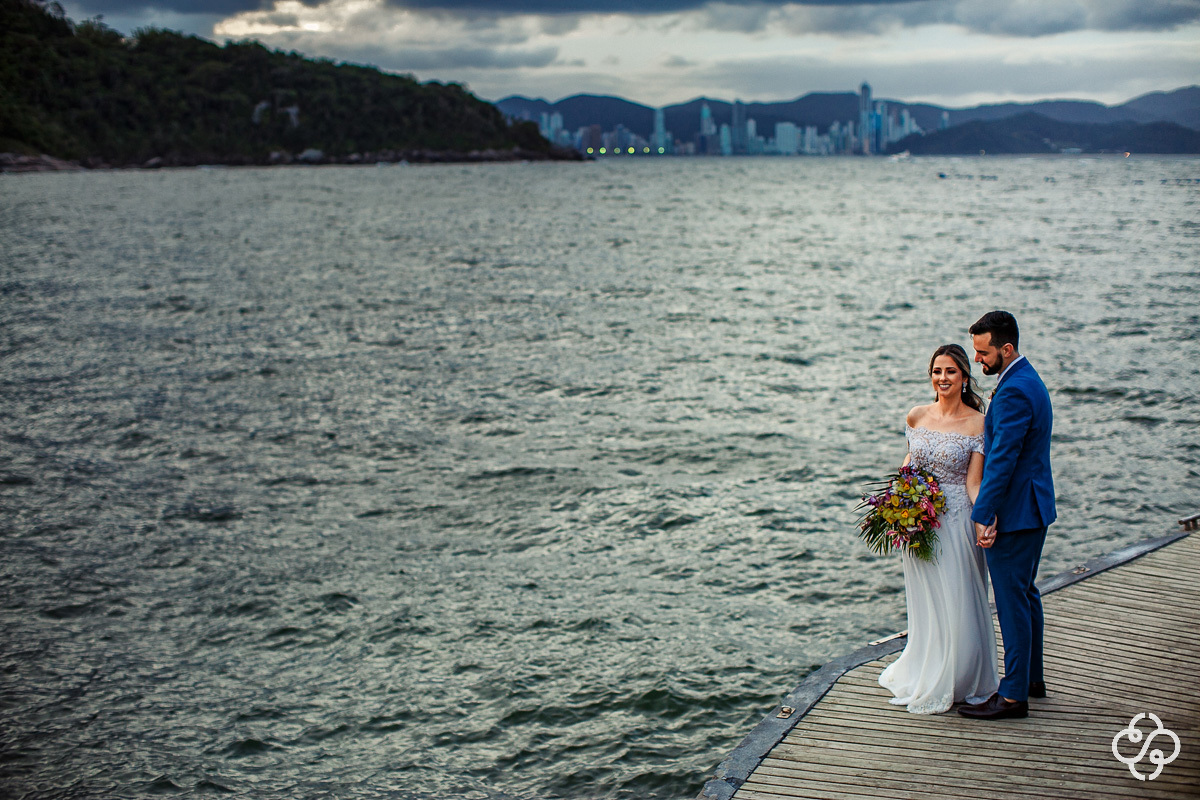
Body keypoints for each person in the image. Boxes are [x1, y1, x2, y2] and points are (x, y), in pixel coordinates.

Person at [878, 343, 1000, 714]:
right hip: (918, 520)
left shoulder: (978, 423)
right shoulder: (916, 415)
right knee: (927, 600)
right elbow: (910, 462)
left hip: (957, 519)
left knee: (959, 598)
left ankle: (961, 677)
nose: (942, 378)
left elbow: (974, 483)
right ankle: (928, 668)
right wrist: (896, 501)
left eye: (950, 372)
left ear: (964, 377)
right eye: (936, 371)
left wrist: (987, 518)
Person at [959, 310, 1055, 721]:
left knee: (1012, 599)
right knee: (1026, 593)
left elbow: (1002, 459)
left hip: (1015, 512)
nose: (978, 361)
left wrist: (984, 512)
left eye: (983, 353)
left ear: (1007, 347)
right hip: (1033, 506)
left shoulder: (1015, 390)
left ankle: (1013, 696)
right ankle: (1032, 678)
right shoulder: (1025, 379)